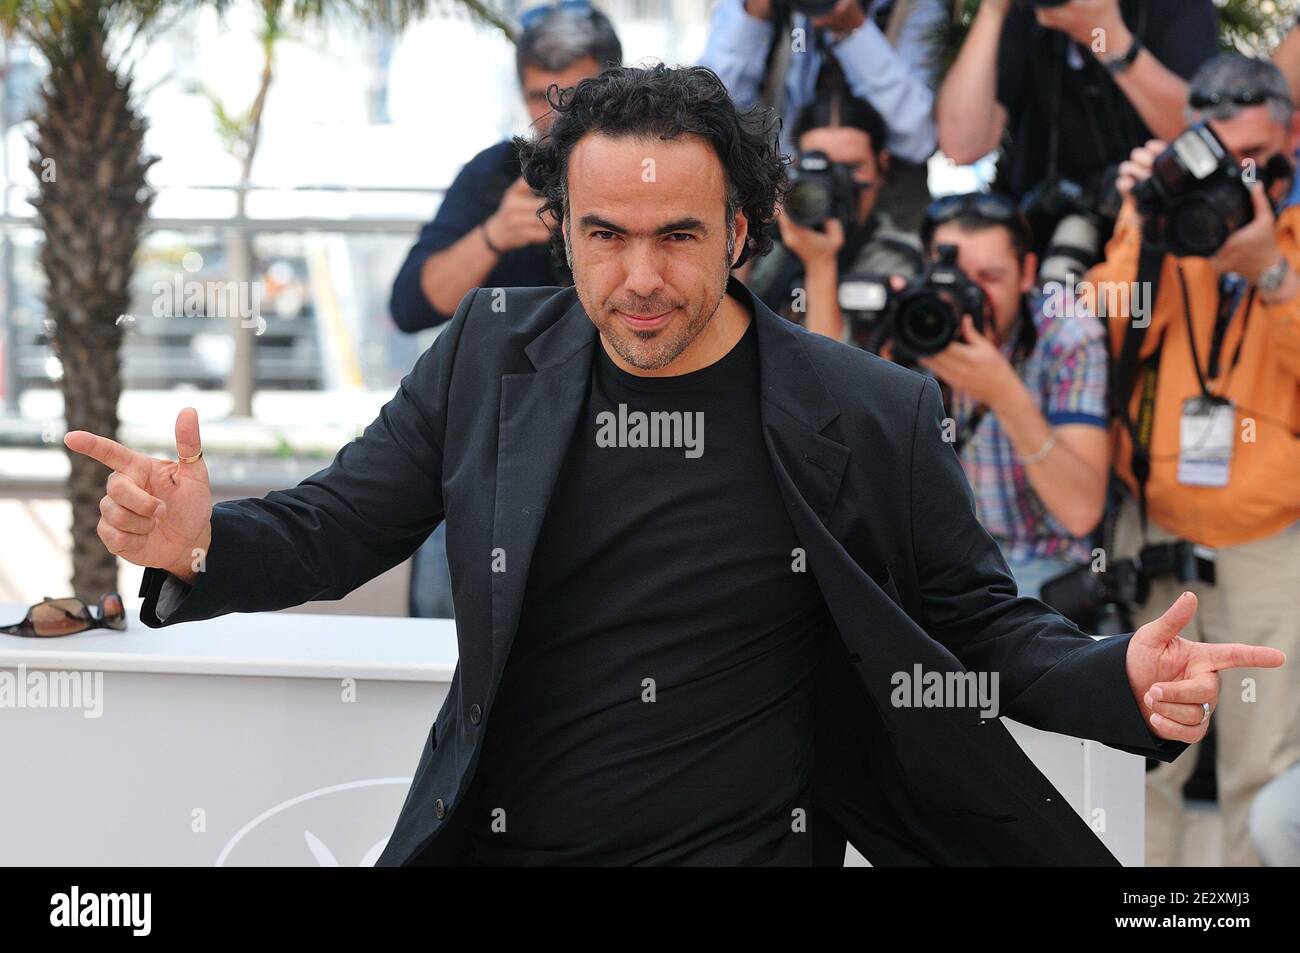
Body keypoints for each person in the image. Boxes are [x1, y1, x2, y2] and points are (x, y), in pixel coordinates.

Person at [67, 65, 1283, 867]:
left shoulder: (870, 410)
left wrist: (1108, 681)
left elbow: (970, 624)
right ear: (564, 229)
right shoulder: (490, 357)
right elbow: (339, 523)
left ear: (742, 233)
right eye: (603, 235)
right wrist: (202, 541)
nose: (637, 275)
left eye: (675, 236)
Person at [1085, 54, 1300, 866]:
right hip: (1158, 532)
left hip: (1270, 543)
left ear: (1292, 140)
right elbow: (1098, 341)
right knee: (1143, 757)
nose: (1242, 189)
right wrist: (1144, 222)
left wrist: (1271, 277)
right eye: (1224, 163)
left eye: (1263, 166)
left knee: (1262, 765)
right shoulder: (1166, 235)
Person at [389, 2, 623, 619]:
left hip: (615, 446)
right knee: (441, 631)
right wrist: (496, 232)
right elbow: (411, 303)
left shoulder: (643, 179)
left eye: (578, 97)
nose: (557, 118)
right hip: (487, 450)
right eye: (541, 99)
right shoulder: (498, 172)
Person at [906, 193, 1109, 600]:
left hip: (1037, 563)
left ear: (1027, 272)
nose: (969, 295)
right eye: (953, 275)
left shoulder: (1066, 333)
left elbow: (1081, 511)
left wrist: (1003, 392)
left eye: (989, 277)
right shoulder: (909, 318)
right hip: (928, 563)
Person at [937, 0, 1218, 256]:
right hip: (1040, 243)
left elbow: (1204, 138)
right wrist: (992, 11)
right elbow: (961, 146)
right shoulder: (1024, 14)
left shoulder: (1175, 8)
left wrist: (1105, 36)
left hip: (1150, 244)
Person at [701, 0, 947, 231]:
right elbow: (709, 114)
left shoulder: (913, 7)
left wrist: (853, 30)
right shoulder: (750, 6)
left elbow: (918, 139)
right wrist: (753, 16)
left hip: (884, 227)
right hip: (778, 217)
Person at [746, 82, 923, 342]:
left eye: (852, 168)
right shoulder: (771, 235)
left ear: (881, 166)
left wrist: (820, 263)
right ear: (795, 165)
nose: (835, 185)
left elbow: (837, 377)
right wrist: (746, 233)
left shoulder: (896, 255)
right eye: (821, 169)